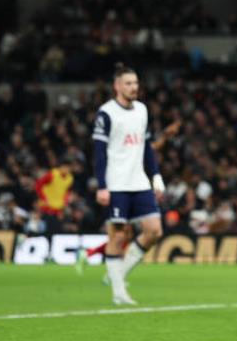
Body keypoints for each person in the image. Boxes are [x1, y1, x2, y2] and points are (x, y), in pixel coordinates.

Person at [91, 63, 165, 305]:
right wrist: (102, 186)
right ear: (117, 86)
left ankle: (118, 275)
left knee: (154, 230)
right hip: (116, 183)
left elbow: (147, 148)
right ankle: (118, 292)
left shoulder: (142, 110)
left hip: (139, 182)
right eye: (129, 83)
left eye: (136, 83)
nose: (134, 87)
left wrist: (155, 176)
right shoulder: (106, 113)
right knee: (118, 236)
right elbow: (99, 153)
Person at [76, 119, 182, 275]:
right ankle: (103, 267)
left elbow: (150, 149)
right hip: (118, 192)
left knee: (126, 235)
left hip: (131, 192)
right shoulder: (117, 150)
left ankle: (97, 261)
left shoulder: (135, 150)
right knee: (120, 235)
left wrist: (165, 136)